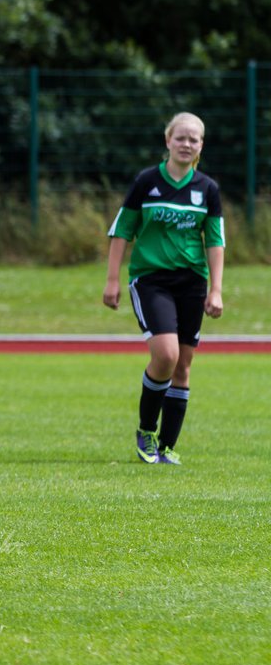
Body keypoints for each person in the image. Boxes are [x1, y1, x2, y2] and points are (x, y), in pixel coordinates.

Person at [103, 111, 224, 466]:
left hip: (191, 282)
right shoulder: (146, 182)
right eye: (180, 137)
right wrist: (112, 280)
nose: (187, 144)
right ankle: (146, 430)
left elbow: (215, 241)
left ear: (201, 145)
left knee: (183, 365)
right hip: (151, 280)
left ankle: (167, 447)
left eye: (194, 139)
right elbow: (122, 230)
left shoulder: (208, 189)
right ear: (167, 140)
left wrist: (215, 289)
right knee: (166, 355)